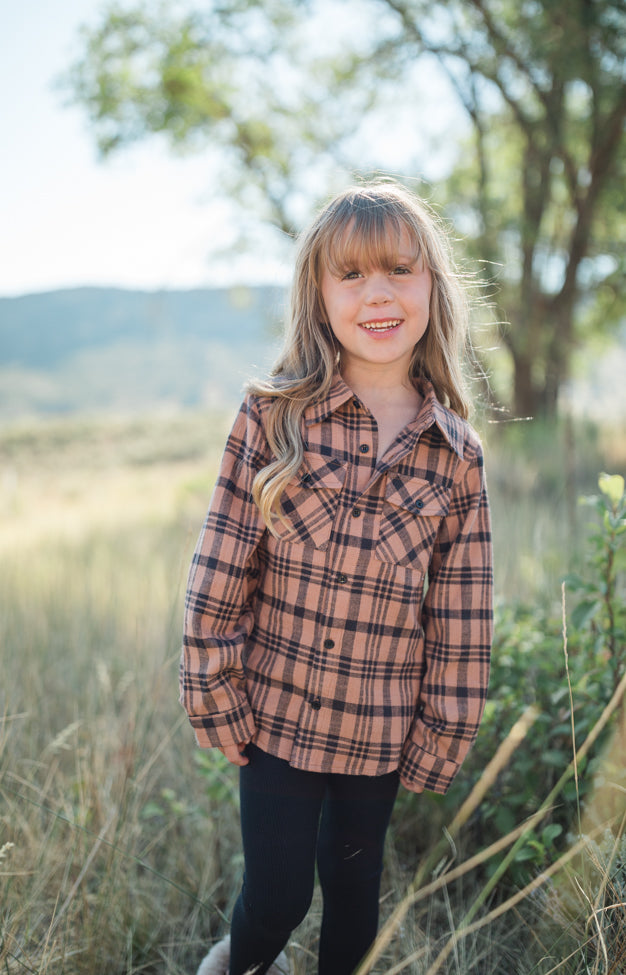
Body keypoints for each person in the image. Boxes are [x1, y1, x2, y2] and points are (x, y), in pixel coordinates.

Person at [181, 180, 493, 975]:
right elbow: (220, 565)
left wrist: (443, 733)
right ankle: (235, 965)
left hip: (377, 735)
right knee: (278, 898)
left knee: (354, 900)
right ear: (318, 295)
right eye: (350, 274)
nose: (378, 293)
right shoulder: (271, 417)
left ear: (432, 287)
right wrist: (214, 689)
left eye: (400, 269)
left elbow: (461, 618)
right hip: (275, 721)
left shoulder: (456, 457)